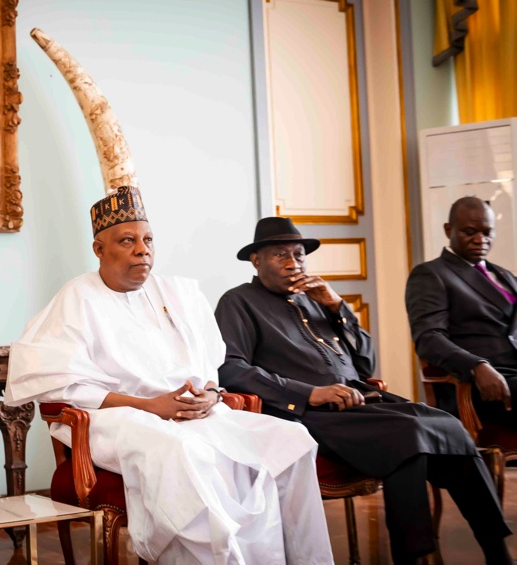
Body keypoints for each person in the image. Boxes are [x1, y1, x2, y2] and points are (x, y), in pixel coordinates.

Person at [6, 187, 333, 564]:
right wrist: (149, 406)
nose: (142, 250)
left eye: (148, 240)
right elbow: (63, 386)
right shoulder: (76, 298)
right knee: (186, 453)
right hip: (118, 419)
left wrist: (211, 393)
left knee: (291, 440)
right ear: (99, 249)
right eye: (127, 241)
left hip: (193, 413)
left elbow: (209, 364)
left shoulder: (178, 292)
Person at [216, 216, 511, 565]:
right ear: (256, 260)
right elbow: (231, 369)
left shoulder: (315, 300)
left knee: (448, 425)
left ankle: (495, 549)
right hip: (308, 414)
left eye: (298, 254)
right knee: (407, 434)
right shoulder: (238, 302)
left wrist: (337, 307)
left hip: (361, 401)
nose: (293, 263)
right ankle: (413, 556)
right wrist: (309, 393)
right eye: (281, 255)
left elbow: (365, 363)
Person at [406, 196, 517, 427]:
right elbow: (428, 338)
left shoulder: (505, 275)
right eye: (470, 232)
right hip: (483, 383)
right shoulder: (431, 274)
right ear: (449, 230)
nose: (480, 240)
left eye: (487, 232)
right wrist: (476, 365)